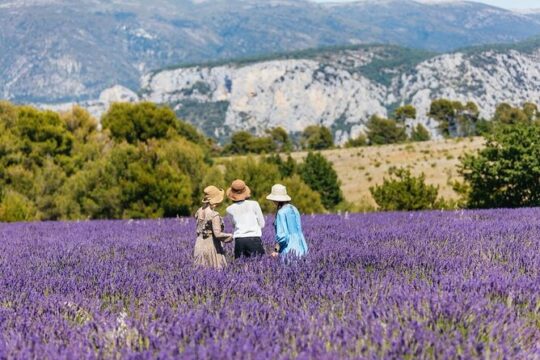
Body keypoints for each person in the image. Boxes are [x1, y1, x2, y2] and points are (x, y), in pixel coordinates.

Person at [194, 186, 233, 269]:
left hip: (199, 245)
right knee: (215, 270)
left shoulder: (199, 211)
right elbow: (217, 234)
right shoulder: (214, 215)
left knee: (200, 272)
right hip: (211, 246)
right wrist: (231, 236)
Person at [226, 179, 266, 258]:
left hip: (239, 241)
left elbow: (233, 225)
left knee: (241, 266)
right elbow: (262, 224)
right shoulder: (254, 204)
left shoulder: (229, 209)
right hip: (254, 240)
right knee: (258, 265)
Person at [266, 184, 308, 258]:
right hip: (302, 247)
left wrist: (276, 251)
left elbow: (282, 237)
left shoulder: (281, 213)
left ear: (276, 200)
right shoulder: (294, 209)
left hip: (289, 250)